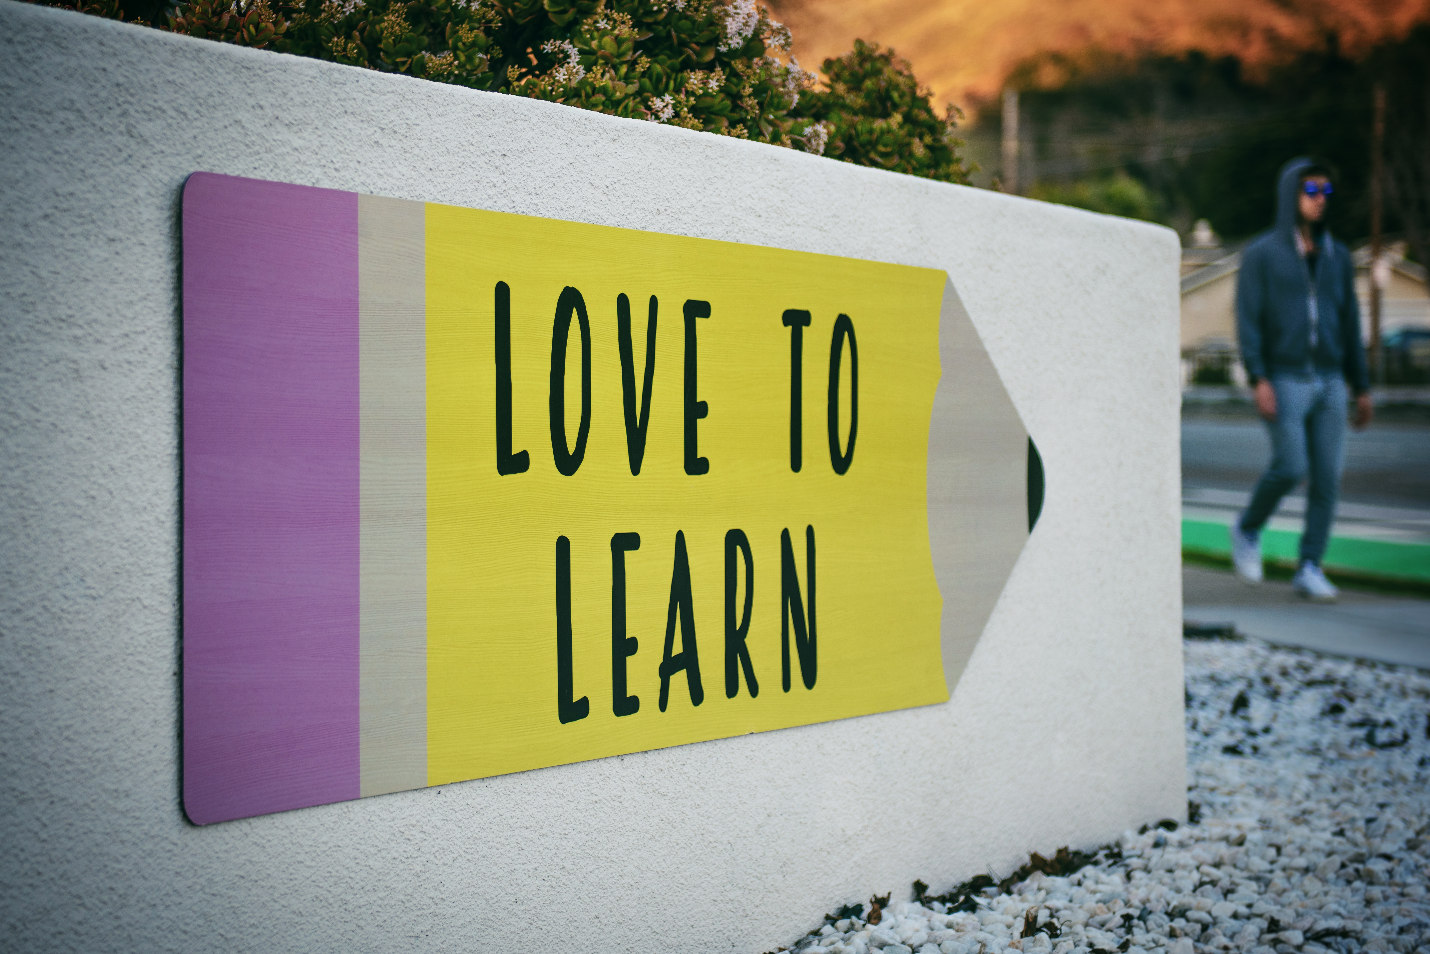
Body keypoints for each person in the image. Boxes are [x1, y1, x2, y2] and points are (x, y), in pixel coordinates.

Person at [1230, 157, 1373, 601]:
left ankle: (1310, 565)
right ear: (1290, 194)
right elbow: (1248, 319)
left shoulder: (1338, 256)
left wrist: (1361, 385)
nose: (1319, 200)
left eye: (1326, 192)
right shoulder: (1262, 255)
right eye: (1311, 190)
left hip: (1330, 379)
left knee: (1327, 478)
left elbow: (1349, 323)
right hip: (1284, 377)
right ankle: (1248, 528)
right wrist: (1258, 377)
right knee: (1291, 466)